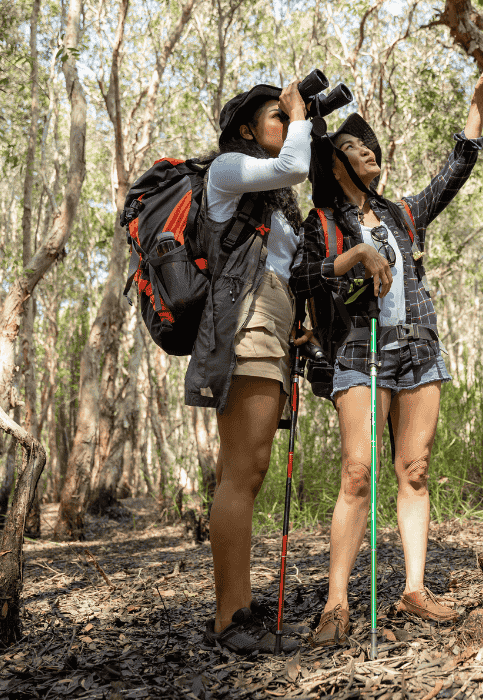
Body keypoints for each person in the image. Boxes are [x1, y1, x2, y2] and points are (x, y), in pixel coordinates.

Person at [292, 49, 483, 647]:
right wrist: (354, 255)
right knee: (357, 473)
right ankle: (337, 604)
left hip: (416, 350)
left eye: (376, 152)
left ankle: (414, 590)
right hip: (356, 354)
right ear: (336, 161)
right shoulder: (322, 222)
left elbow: (453, 173)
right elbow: (304, 279)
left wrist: (478, 103)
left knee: (414, 470)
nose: (372, 157)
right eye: (360, 149)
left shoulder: (403, 214)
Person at [189, 79, 315, 654]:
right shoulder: (229, 169)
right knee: (241, 469)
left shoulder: (276, 203)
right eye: (276, 116)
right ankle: (228, 619)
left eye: (288, 115)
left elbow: (289, 264)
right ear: (245, 129)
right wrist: (299, 109)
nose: (287, 122)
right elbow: (293, 166)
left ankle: (237, 605)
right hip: (244, 321)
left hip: (274, 318)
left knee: (254, 467)